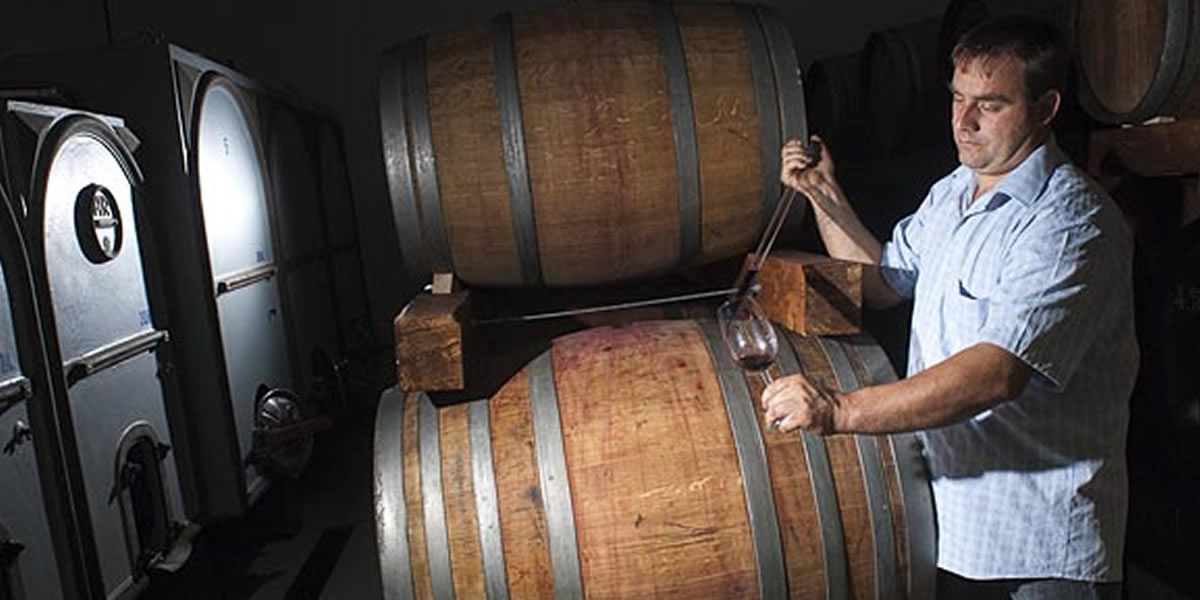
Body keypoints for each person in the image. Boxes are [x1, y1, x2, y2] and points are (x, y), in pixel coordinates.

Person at [765, 14, 1136, 600]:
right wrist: (823, 195)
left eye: (990, 105)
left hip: (1037, 551)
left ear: (1046, 108)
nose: (964, 122)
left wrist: (838, 410)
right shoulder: (953, 192)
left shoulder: (1069, 221)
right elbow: (883, 281)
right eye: (958, 98)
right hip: (951, 531)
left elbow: (996, 373)